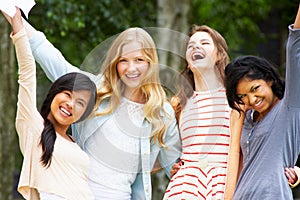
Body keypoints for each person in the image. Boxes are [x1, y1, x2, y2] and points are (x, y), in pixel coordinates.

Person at [2, 9, 182, 200]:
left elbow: (176, 168)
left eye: (139, 60)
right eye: (124, 61)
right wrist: (13, 14)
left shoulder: (162, 113)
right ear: (115, 63)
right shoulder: (93, 91)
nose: (131, 68)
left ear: (151, 63)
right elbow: (49, 55)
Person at [9, 8, 97, 199]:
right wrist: (17, 23)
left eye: (80, 103)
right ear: (54, 93)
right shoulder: (33, 126)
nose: (71, 104)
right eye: (67, 94)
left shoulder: (75, 143)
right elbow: (27, 73)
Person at [224, 4, 300, 199]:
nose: (252, 99)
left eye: (255, 89)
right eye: (243, 96)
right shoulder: (246, 118)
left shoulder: (289, 107)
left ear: (269, 78)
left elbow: (294, 46)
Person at [163, 24, 233, 200]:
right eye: (191, 45)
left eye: (204, 43)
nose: (196, 47)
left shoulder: (235, 98)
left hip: (223, 184)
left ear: (219, 55)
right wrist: (174, 165)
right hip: (185, 187)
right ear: (187, 60)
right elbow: (167, 148)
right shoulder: (178, 103)